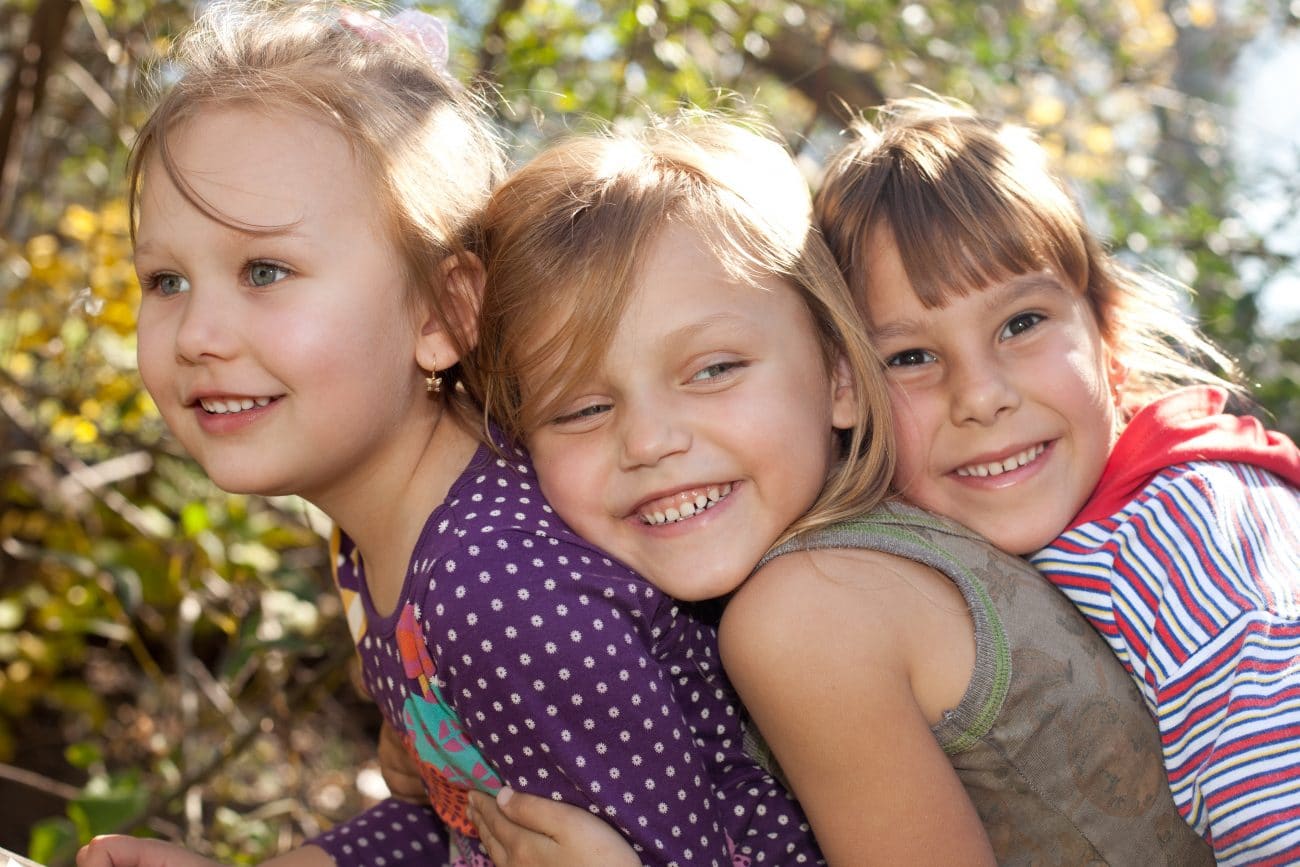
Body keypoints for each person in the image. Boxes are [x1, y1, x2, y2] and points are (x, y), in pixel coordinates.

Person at [75, 3, 822, 866]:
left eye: (265, 270)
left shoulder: (494, 587)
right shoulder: (389, 535)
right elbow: (481, 820)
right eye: (165, 278)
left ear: (443, 307)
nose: (197, 332)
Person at [457, 112, 1212, 864]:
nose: (650, 441)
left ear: (842, 378)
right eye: (583, 409)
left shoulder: (804, 610)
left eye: (714, 369)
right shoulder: (898, 540)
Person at [812, 97, 1300, 864]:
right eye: (910, 357)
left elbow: (1279, 791)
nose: (980, 395)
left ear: (1109, 336)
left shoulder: (1183, 530)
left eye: (1021, 323)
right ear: (846, 394)